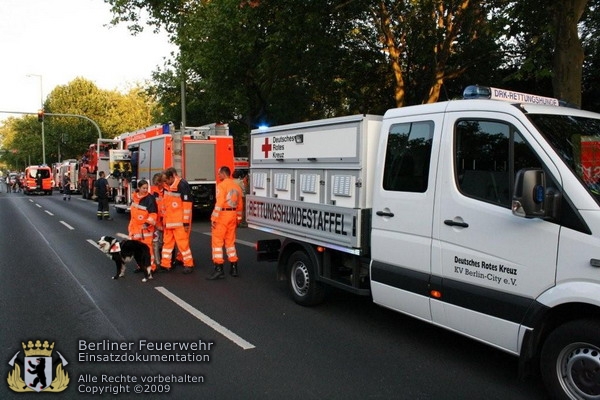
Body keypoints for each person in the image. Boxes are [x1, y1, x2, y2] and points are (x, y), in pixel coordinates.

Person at [207, 166, 243, 280]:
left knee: (217, 243)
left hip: (222, 216)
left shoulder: (221, 186)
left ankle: (219, 269)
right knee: (230, 243)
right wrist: (238, 218)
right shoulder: (236, 186)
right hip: (232, 216)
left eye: (219, 174)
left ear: (223, 174)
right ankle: (234, 267)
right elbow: (240, 205)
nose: (218, 176)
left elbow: (220, 203)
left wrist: (214, 218)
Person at [159, 167, 194, 274]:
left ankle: (188, 264)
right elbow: (164, 204)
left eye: (166, 180)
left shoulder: (182, 185)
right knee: (167, 245)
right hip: (169, 222)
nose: (165, 183)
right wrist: (163, 220)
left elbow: (187, 206)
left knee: (183, 245)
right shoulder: (167, 186)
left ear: (171, 177)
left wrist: (186, 223)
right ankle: (165, 264)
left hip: (179, 223)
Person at [128, 179, 158, 270]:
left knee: (148, 249)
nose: (145, 190)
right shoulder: (135, 197)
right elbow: (133, 214)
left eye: (147, 188)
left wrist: (147, 223)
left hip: (146, 230)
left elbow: (153, 214)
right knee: (137, 250)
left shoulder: (150, 199)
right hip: (135, 228)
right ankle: (141, 266)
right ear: (139, 188)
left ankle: (151, 267)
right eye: (143, 188)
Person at [150, 173, 165, 271]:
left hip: (166, 220)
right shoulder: (153, 192)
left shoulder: (167, 190)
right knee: (155, 243)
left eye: (157, 183)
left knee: (164, 243)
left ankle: (166, 261)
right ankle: (157, 262)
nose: (156, 185)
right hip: (157, 220)